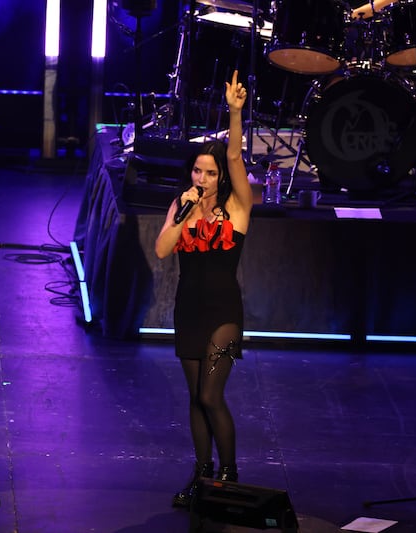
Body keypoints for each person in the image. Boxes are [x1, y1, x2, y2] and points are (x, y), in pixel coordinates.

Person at [155, 70, 252, 507]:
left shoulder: (238, 207)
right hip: (188, 310)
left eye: (209, 173)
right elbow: (161, 250)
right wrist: (183, 215)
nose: (202, 177)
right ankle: (202, 475)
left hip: (224, 314)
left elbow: (234, 156)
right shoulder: (182, 204)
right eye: (197, 170)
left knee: (212, 395)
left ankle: (229, 477)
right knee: (195, 398)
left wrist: (235, 113)